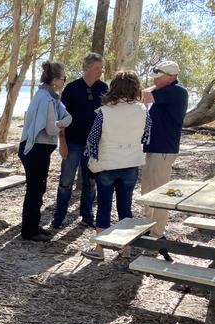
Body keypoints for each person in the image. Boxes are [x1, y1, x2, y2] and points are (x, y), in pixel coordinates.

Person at [81, 71, 151, 261]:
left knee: (104, 205)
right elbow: (146, 135)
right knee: (125, 207)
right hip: (131, 163)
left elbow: (93, 140)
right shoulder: (143, 110)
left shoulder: (105, 112)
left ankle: (99, 248)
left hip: (108, 163)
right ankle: (126, 247)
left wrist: (91, 159)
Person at [52, 53, 108, 229]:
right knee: (66, 182)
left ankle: (87, 215)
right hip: (73, 143)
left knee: (90, 182)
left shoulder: (104, 88)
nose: (100, 71)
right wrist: (62, 143)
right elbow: (61, 118)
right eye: (97, 68)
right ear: (87, 68)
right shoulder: (72, 88)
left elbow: (108, 116)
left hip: (94, 145)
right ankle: (59, 216)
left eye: (101, 68)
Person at [18, 61, 72, 242]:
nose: (64, 81)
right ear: (55, 79)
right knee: (35, 190)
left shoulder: (49, 97)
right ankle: (29, 231)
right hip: (36, 150)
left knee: (37, 189)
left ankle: (33, 225)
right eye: (63, 78)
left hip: (39, 149)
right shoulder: (47, 99)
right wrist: (62, 124)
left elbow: (66, 115)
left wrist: (62, 121)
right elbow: (51, 128)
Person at [140, 61, 189, 238]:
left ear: (171, 77)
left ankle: (157, 232)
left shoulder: (176, 91)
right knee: (147, 189)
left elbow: (143, 96)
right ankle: (147, 225)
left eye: (159, 78)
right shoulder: (165, 90)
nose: (156, 81)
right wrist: (158, 83)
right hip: (153, 148)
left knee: (159, 191)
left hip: (163, 150)